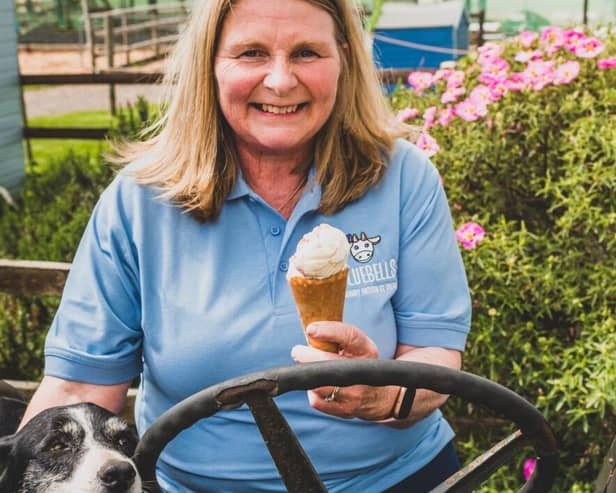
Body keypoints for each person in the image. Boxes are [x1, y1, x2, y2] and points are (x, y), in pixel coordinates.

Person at [20, 0, 471, 491]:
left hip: (398, 479)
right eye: (252, 53)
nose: (280, 81)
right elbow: (79, 386)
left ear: (344, 58)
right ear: (209, 64)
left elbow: (433, 353)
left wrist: (385, 396)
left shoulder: (402, 177)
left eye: (307, 53)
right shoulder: (138, 202)